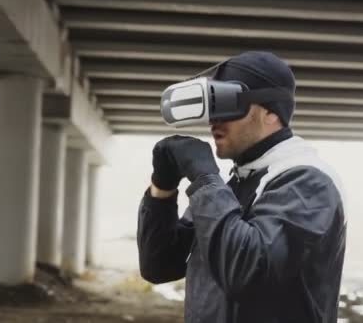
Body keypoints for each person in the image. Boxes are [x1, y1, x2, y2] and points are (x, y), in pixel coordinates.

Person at [137, 51, 346, 323]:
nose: (214, 120)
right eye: (212, 106)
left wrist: (204, 178)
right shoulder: (237, 183)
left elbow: (250, 272)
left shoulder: (308, 182)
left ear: (271, 112)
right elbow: (159, 265)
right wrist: (162, 190)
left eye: (226, 103)